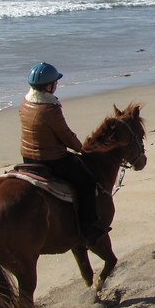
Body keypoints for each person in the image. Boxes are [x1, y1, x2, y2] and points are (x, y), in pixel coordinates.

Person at [19, 62, 103, 246]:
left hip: (27, 157)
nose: (56, 85)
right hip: (52, 160)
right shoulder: (50, 109)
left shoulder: (26, 102)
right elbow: (66, 136)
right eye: (55, 83)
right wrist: (81, 148)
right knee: (87, 183)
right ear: (49, 86)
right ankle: (87, 228)